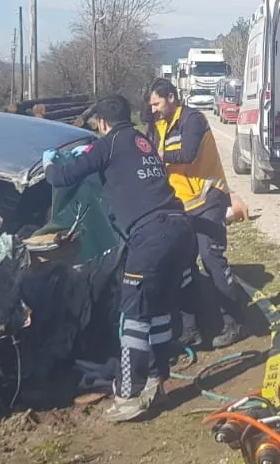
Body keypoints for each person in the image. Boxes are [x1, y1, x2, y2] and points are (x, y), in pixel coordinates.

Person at [41, 95, 198, 423]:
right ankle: (155, 379)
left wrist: (50, 162)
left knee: (133, 317)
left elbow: (59, 178)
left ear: (101, 123)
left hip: (151, 235)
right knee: (157, 312)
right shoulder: (142, 140)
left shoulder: (107, 144)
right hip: (180, 228)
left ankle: (128, 394)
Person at [146, 78, 253, 348]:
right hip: (180, 203)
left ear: (171, 97)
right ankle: (190, 328)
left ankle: (234, 322)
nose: (154, 109)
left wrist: (158, 157)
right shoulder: (157, 125)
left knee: (211, 257)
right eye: (151, 105)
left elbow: (188, 154)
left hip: (209, 197)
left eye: (157, 103)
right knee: (182, 264)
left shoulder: (193, 120)